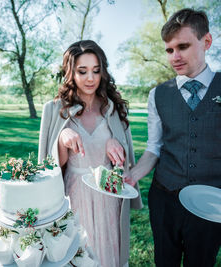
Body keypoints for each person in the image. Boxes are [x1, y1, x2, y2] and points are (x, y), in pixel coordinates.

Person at [124, 8, 221, 267]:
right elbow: (155, 147)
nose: (174, 56)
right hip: (164, 197)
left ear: (206, 42)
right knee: (164, 261)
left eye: (183, 46)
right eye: (169, 50)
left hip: (214, 199)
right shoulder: (157, 94)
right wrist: (133, 174)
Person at [38, 40, 143, 267]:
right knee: (78, 252)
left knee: (108, 252)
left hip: (108, 196)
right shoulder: (54, 109)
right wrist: (62, 140)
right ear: (70, 72)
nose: (90, 78)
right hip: (74, 194)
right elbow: (51, 165)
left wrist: (116, 144)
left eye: (96, 71)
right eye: (82, 71)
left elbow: (124, 163)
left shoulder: (115, 108)